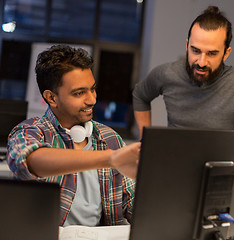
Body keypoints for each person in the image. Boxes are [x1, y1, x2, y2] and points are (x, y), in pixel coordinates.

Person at [6, 45, 140, 227]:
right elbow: (27, 161)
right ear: (51, 98)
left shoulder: (110, 138)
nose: (92, 99)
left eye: (92, 89)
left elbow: (133, 206)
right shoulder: (30, 131)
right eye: (79, 93)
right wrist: (111, 158)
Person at [132, 5, 234, 138]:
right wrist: (146, 140)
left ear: (226, 53)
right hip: (175, 157)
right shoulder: (167, 74)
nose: (201, 62)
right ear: (187, 45)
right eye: (195, 51)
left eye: (211, 54)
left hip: (219, 159)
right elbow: (140, 95)